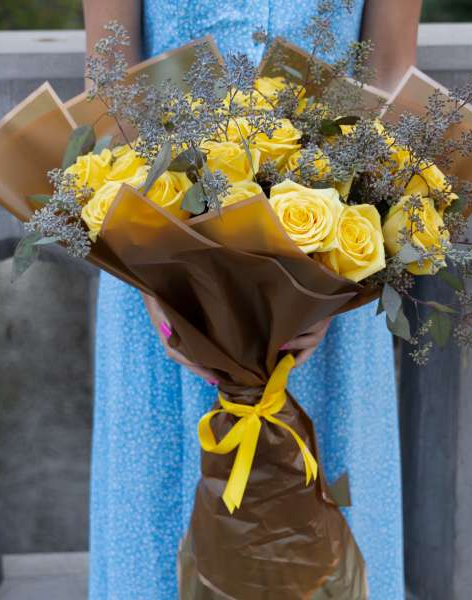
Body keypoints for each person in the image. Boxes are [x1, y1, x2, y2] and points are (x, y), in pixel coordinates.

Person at [82, 1, 422, 598]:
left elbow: (390, 79)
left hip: (330, 281)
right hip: (159, 278)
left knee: (334, 518)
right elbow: (113, 86)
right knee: (161, 518)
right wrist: (157, 281)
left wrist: (338, 285)